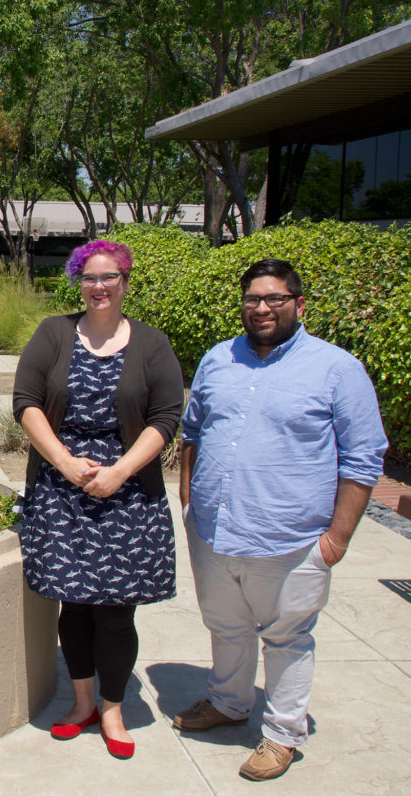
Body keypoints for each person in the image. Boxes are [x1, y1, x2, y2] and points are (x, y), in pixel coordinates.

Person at [174, 258, 388, 781]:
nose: (263, 308)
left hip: (292, 540)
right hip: (215, 530)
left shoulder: (337, 368)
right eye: (253, 298)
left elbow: (363, 459)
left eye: (275, 298)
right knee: (225, 626)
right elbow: (192, 432)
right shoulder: (218, 358)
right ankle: (228, 703)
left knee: (288, 638)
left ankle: (283, 735)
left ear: (299, 303)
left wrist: (336, 539)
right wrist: (188, 501)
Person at [13, 240, 183, 759]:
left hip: (128, 493)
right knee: (74, 604)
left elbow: (166, 418)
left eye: (109, 277)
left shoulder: (152, 344)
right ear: (78, 283)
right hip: (62, 492)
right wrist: (64, 463)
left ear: (126, 282)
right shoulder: (54, 333)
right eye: (89, 277)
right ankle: (81, 701)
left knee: (115, 611)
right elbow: (27, 402)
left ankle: (112, 709)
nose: (99, 286)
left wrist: (121, 470)